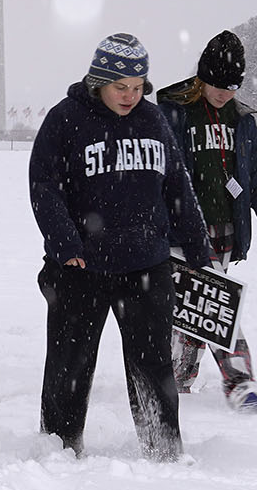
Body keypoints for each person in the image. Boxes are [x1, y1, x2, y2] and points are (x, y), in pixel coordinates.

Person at [28, 33, 211, 461]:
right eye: (120, 86)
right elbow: (44, 186)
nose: (130, 96)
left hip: (146, 266)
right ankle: (59, 447)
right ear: (99, 81)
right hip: (80, 268)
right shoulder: (65, 119)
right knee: (68, 366)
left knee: (153, 365)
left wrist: (197, 244)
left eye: (138, 86)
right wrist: (64, 242)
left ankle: (163, 447)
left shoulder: (154, 121)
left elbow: (176, 184)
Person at [156, 30, 257, 414]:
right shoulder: (173, 112)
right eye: (216, 84)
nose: (223, 93)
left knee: (197, 307)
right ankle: (240, 381)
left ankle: (178, 380)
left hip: (226, 230)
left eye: (232, 87)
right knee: (215, 304)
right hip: (181, 229)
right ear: (202, 77)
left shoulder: (242, 120)